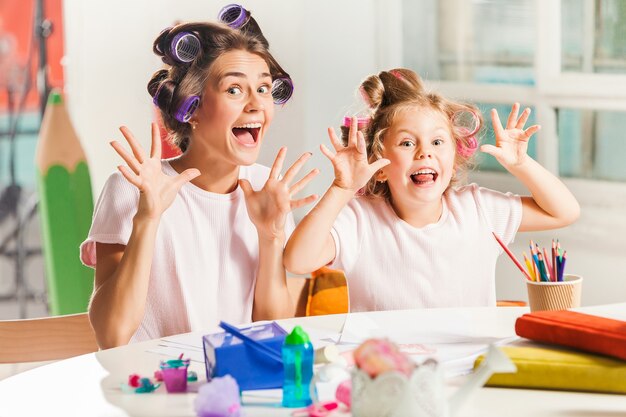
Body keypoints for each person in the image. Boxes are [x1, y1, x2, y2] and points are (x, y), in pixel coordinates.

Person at [81, 12, 318, 348]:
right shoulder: (133, 188)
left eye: (263, 88)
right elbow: (112, 334)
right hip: (157, 388)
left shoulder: (267, 187)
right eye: (235, 89)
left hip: (236, 386)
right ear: (191, 109)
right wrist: (148, 218)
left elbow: (272, 332)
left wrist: (271, 236)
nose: (256, 105)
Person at [284, 68, 580, 312]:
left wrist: (521, 164)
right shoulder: (359, 219)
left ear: (454, 159)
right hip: (388, 371)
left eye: (437, 142)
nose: (425, 152)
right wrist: (342, 188)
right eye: (407, 143)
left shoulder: (478, 209)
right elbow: (298, 261)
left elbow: (564, 212)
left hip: (469, 365)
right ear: (380, 166)